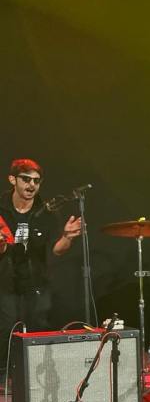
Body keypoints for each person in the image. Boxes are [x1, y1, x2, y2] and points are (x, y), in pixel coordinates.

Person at [0, 159, 82, 371]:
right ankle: (4, 379)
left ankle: (35, 380)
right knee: (5, 331)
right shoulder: (1, 208)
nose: (31, 185)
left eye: (36, 181)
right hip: (5, 282)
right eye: (26, 179)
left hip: (36, 283)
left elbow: (57, 250)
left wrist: (67, 237)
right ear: (12, 180)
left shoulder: (47, 212)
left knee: (38, 331)